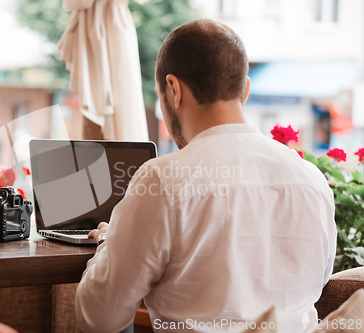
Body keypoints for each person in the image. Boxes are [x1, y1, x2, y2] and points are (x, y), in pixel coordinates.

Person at [75, 19, 336, 333]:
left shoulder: (163, 179)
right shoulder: (311, 179)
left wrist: (112, 240)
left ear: (173, 89)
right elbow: (316, 284)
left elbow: (98, 319)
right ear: (246, 90)